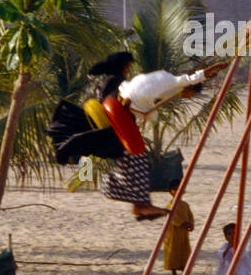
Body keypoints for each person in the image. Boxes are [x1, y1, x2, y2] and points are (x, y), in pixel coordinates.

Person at [91, 52, 224, 220]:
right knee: (138, 156)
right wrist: (210, 71)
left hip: (123, 101)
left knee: (133, 157)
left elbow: (148, 107)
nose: (188, 97)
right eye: (191, 94)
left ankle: (136, 203)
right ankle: (139, 204)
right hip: (120, 108)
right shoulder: (174, 83)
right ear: (190, 90)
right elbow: (191, 78)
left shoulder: (166, 83)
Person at [161, 179, 194, 275]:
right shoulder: (170, 204)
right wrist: (182, 223)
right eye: (175, 189)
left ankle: (185, 271)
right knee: (173, 251)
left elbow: (190, 215)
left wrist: (191, 224)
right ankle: (173, 271)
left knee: (185, 251)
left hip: (183, 233)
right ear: (171, 191)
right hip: (173, 232)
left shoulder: (185, 204)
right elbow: (172, 217)